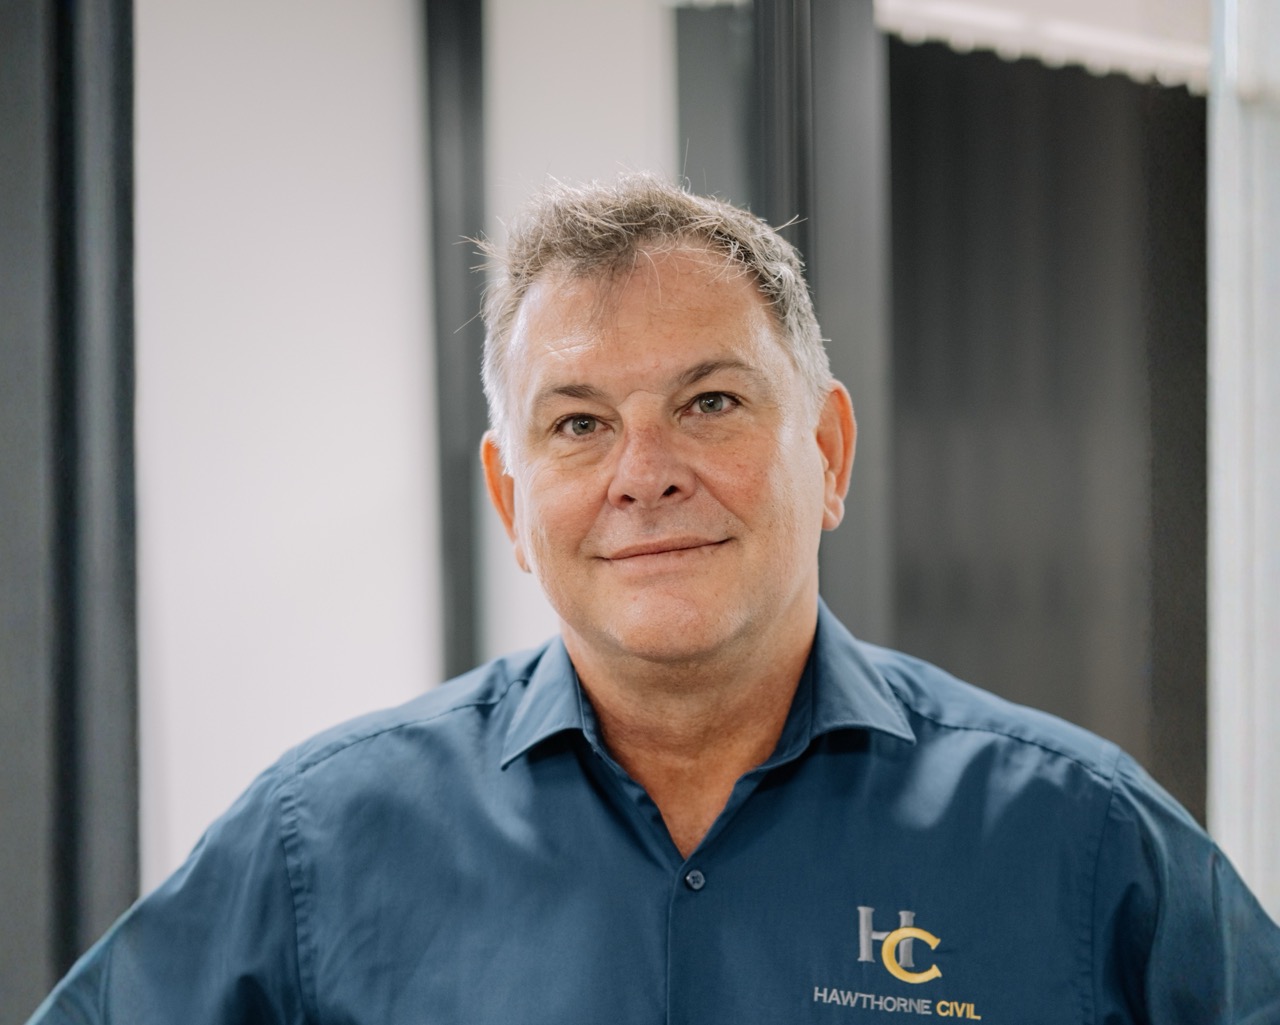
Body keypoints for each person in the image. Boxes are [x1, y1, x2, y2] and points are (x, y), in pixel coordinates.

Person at [29, 173, 1279, 1024]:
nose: (646, 474)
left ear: (828, 453)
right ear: (510, 497)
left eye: (710, 403)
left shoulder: (1079, 839)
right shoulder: (319, 842)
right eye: (577, 424)